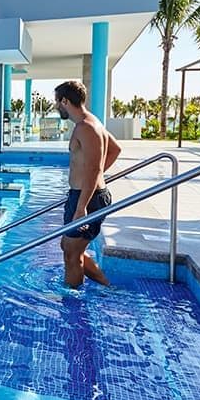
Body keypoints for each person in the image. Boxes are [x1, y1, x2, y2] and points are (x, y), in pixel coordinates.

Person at [54, 80, 122, 288]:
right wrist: (96, 177)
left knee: (71, 256)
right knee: (69, 247)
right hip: (85, 194)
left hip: (87, 199)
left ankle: (71, 303)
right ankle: (106, 285)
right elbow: (115, 150)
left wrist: (82, 206)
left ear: (65, 101)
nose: (56, 106)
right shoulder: (92, 123)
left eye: (57, 102)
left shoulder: (86, 128)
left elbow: (94, 168)